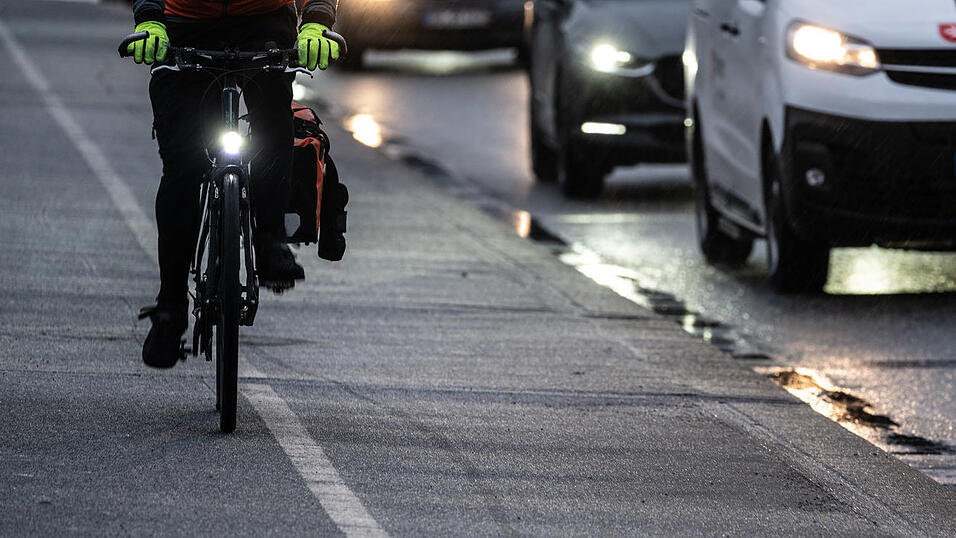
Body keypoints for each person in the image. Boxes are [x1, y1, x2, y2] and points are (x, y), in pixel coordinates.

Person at [127, 0, 340, 369]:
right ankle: (171, 308)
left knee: (274, 123)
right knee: (182, 166)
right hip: (184, 24)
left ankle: (270, 238)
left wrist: (317, 20)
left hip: (263, 23)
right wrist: (150, 17)